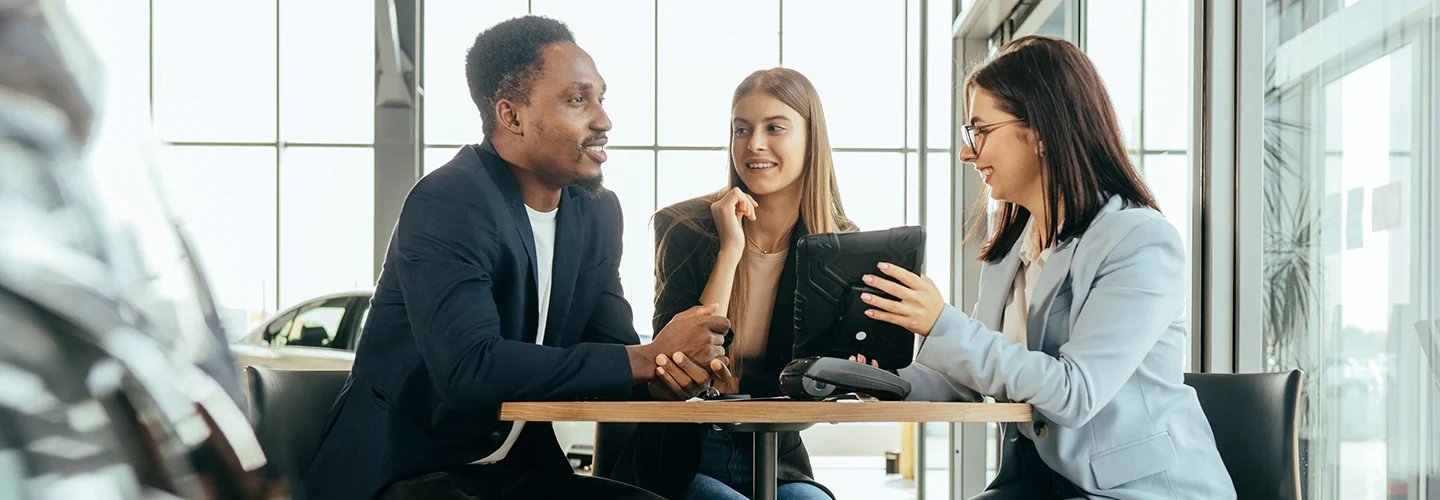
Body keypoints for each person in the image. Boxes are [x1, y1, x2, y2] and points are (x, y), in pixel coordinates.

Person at [302, 16, 731, 500]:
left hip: (515, 471)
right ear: (511, 116)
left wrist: (669, 370)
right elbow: (471, 369)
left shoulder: (595, 212)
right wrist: (643, 359)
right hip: (406, 474)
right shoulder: (450, 201)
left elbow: (613, 354)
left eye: (600, 98)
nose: (603, 121)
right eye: (577, 99)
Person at [857, 36, 1238, 499]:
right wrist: (877, 381)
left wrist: (943, 323)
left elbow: (1074, 393)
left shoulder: (1140, 242)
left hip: (1138, 490)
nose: (967, 153)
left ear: (1039, 130)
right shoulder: (1010, 254)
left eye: (979, 131)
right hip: (1040, 484)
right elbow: (965, 380)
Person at [611, 68, 849, 500]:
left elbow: (827, 379)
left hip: (777, 454)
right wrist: (729, 251)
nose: (754, 143)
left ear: (812, 139)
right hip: (682, 454)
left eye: (774, 127)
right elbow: (676, 370)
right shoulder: (684, 227)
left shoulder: (839, 247)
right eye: (742, 129)